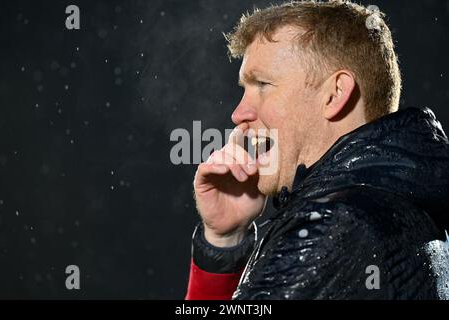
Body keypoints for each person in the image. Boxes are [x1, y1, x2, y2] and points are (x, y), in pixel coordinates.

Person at [185, 0, 449, 300]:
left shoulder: (335, 222)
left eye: (262, 83)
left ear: (335, 94)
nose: (238, 113)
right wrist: (225, 240)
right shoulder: (407, 211)